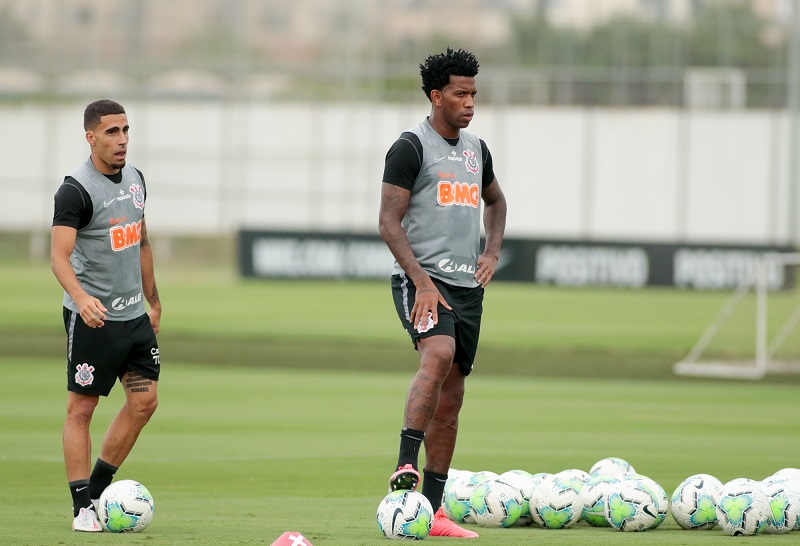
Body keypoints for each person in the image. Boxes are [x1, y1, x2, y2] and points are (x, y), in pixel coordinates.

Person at [378, 48, 507, 538]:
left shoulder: (477, 149)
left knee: (452, 399)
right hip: (421, 281)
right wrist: (422, 283)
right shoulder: (410, 147)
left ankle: (433, 512)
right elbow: (388, 224)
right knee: (438, 353)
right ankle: (405, 463)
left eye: (473, 93)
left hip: (466, 288)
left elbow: (497, 202)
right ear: (436, 96)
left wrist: (491, 252)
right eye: (459, 93)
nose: (469, 102)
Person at [51, 99, 162, 532]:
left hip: (134, 316)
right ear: (91, 136)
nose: (122, 140)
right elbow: (59, 258)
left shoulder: (136, 179)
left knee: (144, 402)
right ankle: (82, 508)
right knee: (82, 409)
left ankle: (98, 490)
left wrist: (153, 301)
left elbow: (143, 242)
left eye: (126, 130)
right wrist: (81, 299)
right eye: (112, 132)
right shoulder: (74, 190)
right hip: (93, 319)